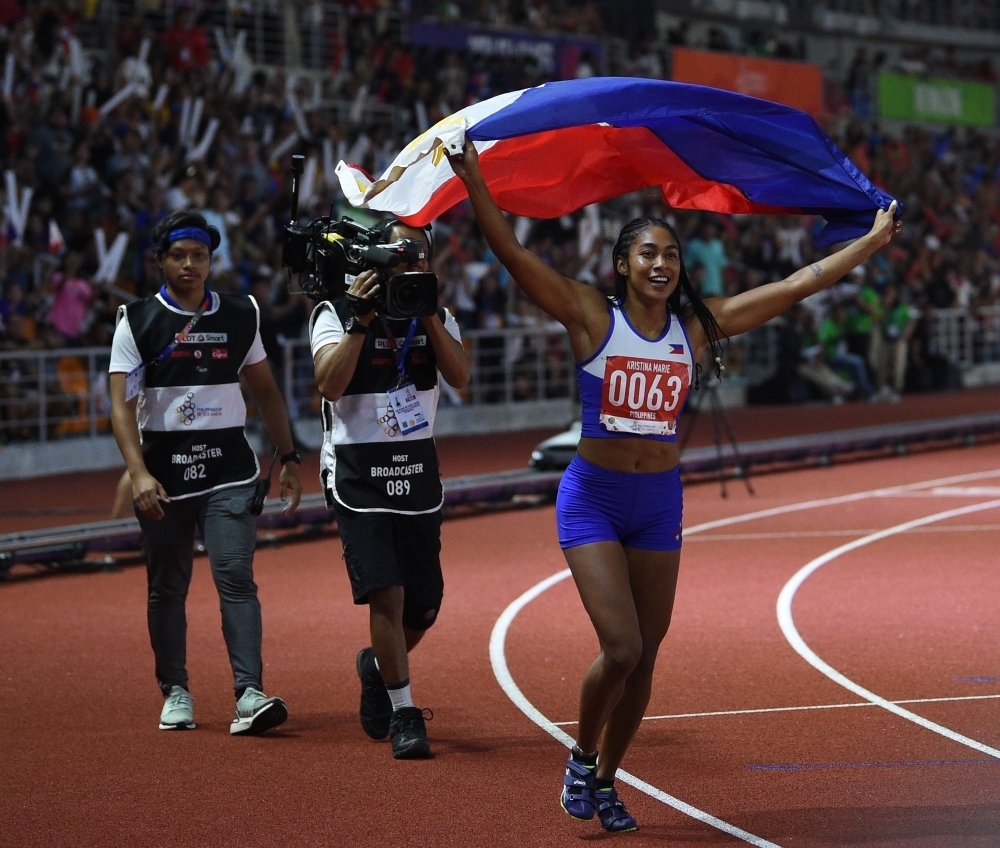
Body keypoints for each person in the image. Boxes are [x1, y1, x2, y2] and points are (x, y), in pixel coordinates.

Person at [448, 141, 899, 833]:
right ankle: (580, 754)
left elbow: (795, 286)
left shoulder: (694, 330)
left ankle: (607, 779)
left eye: (671, 256)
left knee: (648, 657)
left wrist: (869, 244)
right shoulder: (592, 317)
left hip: (658, 505)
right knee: (621, 648)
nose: (662, 265)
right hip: (594, 497)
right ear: (623, 264)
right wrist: (476, 180)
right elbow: (513, 254)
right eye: (648, 254)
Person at [108, 209, 302, 735]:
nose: (190, 264)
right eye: (179, 256)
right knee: (166, 588)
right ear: (161, 262)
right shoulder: (137, 320)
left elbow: (264, 391)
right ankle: (175, 690)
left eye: (199, 255)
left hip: (229, 475)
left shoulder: (241, 314)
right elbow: (121, 406)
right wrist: (138, 473)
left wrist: (289, 456)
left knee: (236, 579)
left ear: (211, 261)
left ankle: (249, 694)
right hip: (164, 480)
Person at [309, 219, 470, 759]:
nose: (408, 266)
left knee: (423, 606)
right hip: (357, 471)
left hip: (416, 470)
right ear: (374, 261)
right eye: (397, 257)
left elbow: (461, 375)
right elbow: (329, 384)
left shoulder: (438, 316)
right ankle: (405, 713)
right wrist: (361, 320)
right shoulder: (333, 313)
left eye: (418, 257)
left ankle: (376, 665)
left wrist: (424, 311)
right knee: (388, 591)